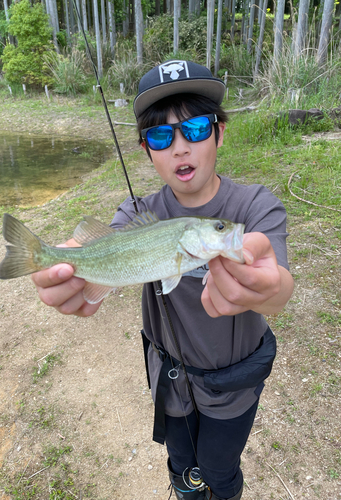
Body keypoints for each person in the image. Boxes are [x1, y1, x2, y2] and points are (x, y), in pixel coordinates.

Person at [32, 60, 294, 500]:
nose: (179, 148)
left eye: (194, 129)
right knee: (181, 464)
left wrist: (273, 290)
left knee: (218, 467)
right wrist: (73, 278)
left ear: (220, 133)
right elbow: (103, 253)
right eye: (160, 136)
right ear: (146, 150)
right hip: (169, 382)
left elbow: (278, 284)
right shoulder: (137, 214)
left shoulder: (254, 207)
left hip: (233, 387)